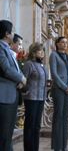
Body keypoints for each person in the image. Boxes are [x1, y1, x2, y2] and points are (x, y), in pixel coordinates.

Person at [0, 20, 26, 151]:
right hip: (4, 96)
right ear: (6, 34)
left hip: (11, 94)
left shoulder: (6, 49)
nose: (13, 34)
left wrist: (20, 81)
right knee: (4, 134)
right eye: (12, 31)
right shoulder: (0, 48)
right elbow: (6, 69)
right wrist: (21, 78)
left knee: (8, 132)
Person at [50, 36, 68, 151]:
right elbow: (54, 74)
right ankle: (57, 146)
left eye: (66, 42)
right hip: (59, 90)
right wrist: (66, 87)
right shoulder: (54, 55)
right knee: (58, 117)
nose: (65, 44)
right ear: (57, 44)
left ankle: (63, 145)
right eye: (62, 42)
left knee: (65, 117)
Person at [22, 42, 48, 151]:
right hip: (31, 98)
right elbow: (23, 80)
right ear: (33, 52)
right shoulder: (29, 64)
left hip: (41, 98)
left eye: (43, 50)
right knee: (30, 126)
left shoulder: (42, 65)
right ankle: (29, 148)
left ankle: (35, 148)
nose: (42, 53)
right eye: (39, 50)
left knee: (37, 126)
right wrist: (26, 91)